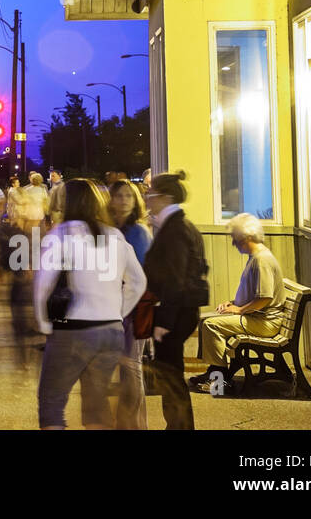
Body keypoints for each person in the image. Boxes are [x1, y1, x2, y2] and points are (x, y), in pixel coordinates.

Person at [33, 180, 146, 430]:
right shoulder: (115, 235)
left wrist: (43, 323)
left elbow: (43, 283)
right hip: (110, 330)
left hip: (72, 330)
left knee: (52, 402)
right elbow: (138, 282)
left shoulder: (61, 234)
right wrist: (117, 312)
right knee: (96, 405)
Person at [142, 171, 208, 430]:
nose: (147, 199)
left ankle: (179, 427)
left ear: (165, 198)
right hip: (181, 310)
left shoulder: (175, 230)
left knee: (170, 376)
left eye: (151, 195)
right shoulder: (179, 226)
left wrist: (164, 321)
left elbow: (175, 280)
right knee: (171, 373)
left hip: (175, 313)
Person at [192, 213, 286, 392]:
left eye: (236, 239)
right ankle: (214, 371)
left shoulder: (261, 260)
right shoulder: (256, 258)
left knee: (212, 325)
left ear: (248, 237)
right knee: (205, 319)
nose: (234, 243)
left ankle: (221, 380)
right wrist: (231, 303)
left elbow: (264, 298)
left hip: (264, 321)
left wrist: (239, 310)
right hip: (257, 316)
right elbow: (255, 294)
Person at [109, 179, 151, 429]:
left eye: (129, 196)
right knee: (125, 365)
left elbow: (142, 275)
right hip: (116, 303)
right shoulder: (113, 229)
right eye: (119, 195)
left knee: (132, 364)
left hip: (137, 305)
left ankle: (133, 424)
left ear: (136, 201)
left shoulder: (138, 232)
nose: (124, 200)